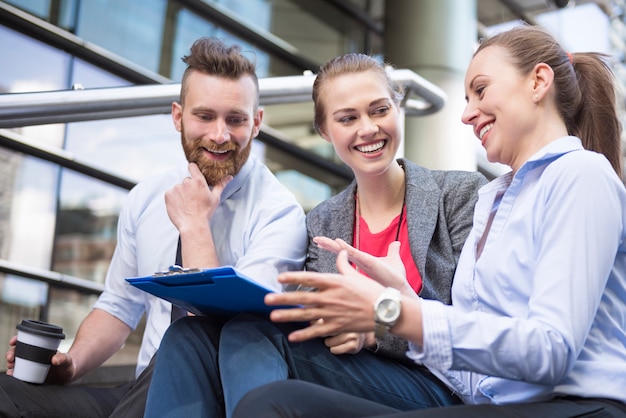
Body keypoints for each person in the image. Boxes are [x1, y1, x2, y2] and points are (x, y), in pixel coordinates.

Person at [231, 25, 626, 418]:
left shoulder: (581, 175)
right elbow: (472, 377)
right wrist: (402, 299)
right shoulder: (495, 201)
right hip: (493, 404)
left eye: (481, 90)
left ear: (538, 81)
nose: (467, 114)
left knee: (273, 403)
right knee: (268, 402)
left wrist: (390, 311)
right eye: (467, 97)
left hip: (575, 408)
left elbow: (550, 351)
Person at [143, 53, 487, 417]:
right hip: (351, 377)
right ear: (325, 131)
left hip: (438, 387)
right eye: (347, 118)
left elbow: (479, 320)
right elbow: (316, 319)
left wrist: (374, 331)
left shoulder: (459, 195)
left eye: (379, 110)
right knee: (187, 336)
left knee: (250, 332)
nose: (367, 128)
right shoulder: (322, 221)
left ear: (397, 108)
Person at [0, 37, 307, 418]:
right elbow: (118, 306)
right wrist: (72, 364)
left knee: (188, 347)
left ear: (256, 123)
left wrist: (195, 225)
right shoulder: (147, 196)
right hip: (140, 389)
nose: (219, 135)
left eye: (236, 119)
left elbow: (214, 336)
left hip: (215, 398)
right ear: (178, 116)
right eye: (205, 116)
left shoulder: (280, 214)